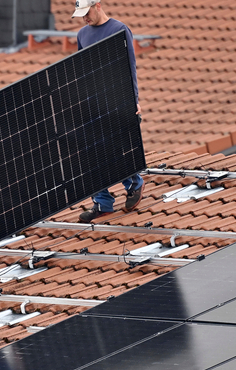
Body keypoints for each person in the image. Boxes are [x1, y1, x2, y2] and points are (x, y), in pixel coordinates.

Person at [73, 0, 146, 222]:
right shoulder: (82, 35)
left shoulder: (119, 29)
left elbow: (129, 65)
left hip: (117, 100)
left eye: (87, 13)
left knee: (116, 148)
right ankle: (102, 203)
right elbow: (80, 70)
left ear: (98, 5)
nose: (85, 18)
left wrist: (133, 100)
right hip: (92, 104)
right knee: (90, 152)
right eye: (81, 15)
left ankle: (134, 184)